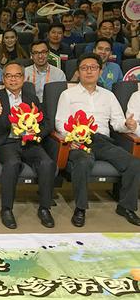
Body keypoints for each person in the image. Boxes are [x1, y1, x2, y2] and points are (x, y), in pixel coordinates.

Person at [55, 53, 140, 227]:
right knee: (83, 162)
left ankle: (126, 206)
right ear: (78, 72)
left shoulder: (108, 95)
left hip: (102, 140)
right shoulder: (67, 94)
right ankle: (80, 208)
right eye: (84, 68)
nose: (89, 71)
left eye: (93, 67)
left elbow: (117, 123)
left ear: (100, 71)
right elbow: (60, 122)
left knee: (133, 163)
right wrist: (71, 138)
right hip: (79, 140)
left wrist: (127, 124)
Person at [0, 62, 55, 228]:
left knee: (47, 163)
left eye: (17, 75)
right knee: (12, 163)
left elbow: (47, 123)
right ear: (3, 79)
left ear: (24, 78)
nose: (13, 79)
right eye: (9, 76)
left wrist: (36, 135)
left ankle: (44, 208)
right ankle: (6, 209)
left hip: (29, 142)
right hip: (6, 142)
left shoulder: (31, 98)